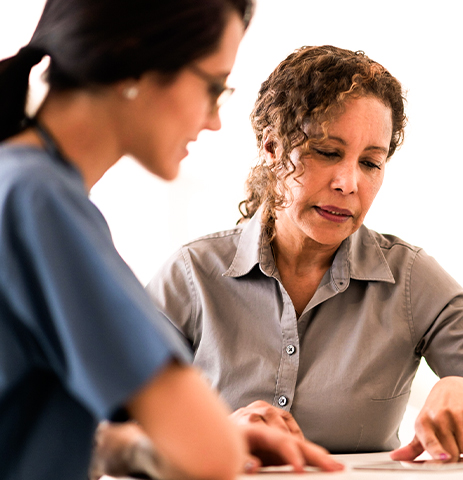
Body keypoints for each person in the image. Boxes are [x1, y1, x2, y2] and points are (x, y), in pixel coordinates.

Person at [146, 45, 463, 461]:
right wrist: (215, 432)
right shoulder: (191, 275)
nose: (348, 182)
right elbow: (110, 424)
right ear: (271, 148)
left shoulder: (409, 281)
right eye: (327, 153)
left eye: (371, 163)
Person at [0, 1, 342, 478]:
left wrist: (140, 447)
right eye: (214, 88)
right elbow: (209, 456)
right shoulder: (39, 202)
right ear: (134, 58)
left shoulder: (15, 181)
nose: (214, 120)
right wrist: (212, 437)